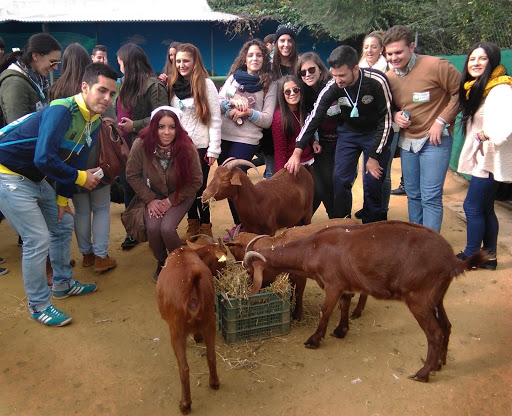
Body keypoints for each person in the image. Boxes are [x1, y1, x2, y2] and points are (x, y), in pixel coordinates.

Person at [0, 63, 119, 326]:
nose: (107, 98)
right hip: (7, 172)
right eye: (102, 90)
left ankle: (63, 284)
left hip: (34, 176)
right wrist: (80, 178)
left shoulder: (94, 119)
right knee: (36, 238)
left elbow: (72, 160)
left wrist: (64, 199)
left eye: (112, 93)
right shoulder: (62, 109)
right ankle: (39, 305)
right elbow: (45, 158)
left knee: (63, 223)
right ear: (85, 87)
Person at [286, 45, 393, 224]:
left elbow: (387, 120)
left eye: (342, 75)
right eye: (334, 75)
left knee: (372, 181)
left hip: (374, 134)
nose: (337, 80)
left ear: (355, 69)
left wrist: (374, 156)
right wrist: (297, 151)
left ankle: (371, 225)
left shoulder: (377, 81)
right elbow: (314, 118)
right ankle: (343, 223)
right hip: (349, 134)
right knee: (340, 179)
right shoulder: (333, 86)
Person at [383, 25, 461, 232]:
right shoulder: (389, 78)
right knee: (413, 194)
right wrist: (395, 116)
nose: (394, 58)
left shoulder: (437, 66)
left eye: (398, 52)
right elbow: (390, 107)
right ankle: (416, 240)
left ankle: (431, 247)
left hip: (435, 141)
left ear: (411, 47)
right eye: (389, 54)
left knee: (430, 196)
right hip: (408, 142)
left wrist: (442, 120)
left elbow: (461, 93)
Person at [50, 43, 117, 272]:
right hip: (96, 155)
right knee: (100, 207)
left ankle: (86, 255)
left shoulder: (57, 89)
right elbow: (110, 119)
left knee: (80, 209)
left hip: (69, 161)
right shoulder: (99, 88)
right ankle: (100, 256)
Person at [125, 106, 203, 282]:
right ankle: (162, 263)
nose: (166, 132)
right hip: (153, 193)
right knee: (153, 228)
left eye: (172, 127)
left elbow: (197, 181)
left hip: (181, 193)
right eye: (161, 127)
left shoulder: (187, 147)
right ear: (154, 127)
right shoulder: (141, 145)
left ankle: (182, 263)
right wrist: (150, 199)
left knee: (167, 229)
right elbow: (131, 174)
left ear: (178, 128)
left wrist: (171, 200)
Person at [456, 42, 512, 270]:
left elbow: (505, 123)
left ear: (493, 61)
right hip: (484, 158)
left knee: (471, 206)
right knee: (486, 208)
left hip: (489, 159)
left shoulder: (500, 89)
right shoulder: (479, 87)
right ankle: (489, 258)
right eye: (472, 59)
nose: (476, 63)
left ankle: (471, 255)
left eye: (482, 59)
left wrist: (488, 135)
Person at [217, 39, 277, 237]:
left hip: (247, 139)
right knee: (228, 182)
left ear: (264, 58)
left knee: (238, 180)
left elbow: (267, 119)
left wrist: (248, 113)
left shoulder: (270, 84)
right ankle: (240, 225)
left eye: (259, 55)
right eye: (250, 55)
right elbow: (218, 102)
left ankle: (245, 224)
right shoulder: (234, 79)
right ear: (245, 57)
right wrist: (232, 102)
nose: (254, 58)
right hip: (224, 136)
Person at [116, 43, 169, 250]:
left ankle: (157, 232)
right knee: (130, 187)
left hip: (148, 149)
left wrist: (134, 126)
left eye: (121, 63)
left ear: (129, 63)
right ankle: (134, 230)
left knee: (152, 190)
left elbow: (163, 117)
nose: (119, 67)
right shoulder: (125, 85)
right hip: (124, 148)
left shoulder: (154, 86)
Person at [167, 43, 221, 241]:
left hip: (200, 146)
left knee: (200, 187)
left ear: (195, 62)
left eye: (186, 61)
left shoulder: (206, 85)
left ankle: (205, 225)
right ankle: (192, 223)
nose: (181, 64)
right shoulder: (173, 85)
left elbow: (215, 118)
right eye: (178, 61)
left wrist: (214, 148)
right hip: (180, 147)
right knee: (184, 185)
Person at [296, 52, 340, 218]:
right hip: (321, 145)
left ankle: (341, 219)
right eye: (303, 72)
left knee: (338, 182)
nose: (307, 74)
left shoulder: (334, 86)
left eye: (311, 69)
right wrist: (313, 140)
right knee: (323, 185)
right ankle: (333, 218)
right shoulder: (305, 94)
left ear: (320, 69)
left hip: (341, 144)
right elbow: (310, 121)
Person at [0, 33, 61, 125]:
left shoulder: (38, 80)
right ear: (35, 56)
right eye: (52, 62)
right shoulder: (14, 84)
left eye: (57, 62)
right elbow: (18, 130)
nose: (56, 67)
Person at [272, 74, 313, 172]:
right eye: (287, 91)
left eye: (295, 89)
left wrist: (314, 141)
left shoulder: (303, 110)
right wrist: (281, 178)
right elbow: (280, 151)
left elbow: (308, 132)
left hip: (311, 161)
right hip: (292, 167)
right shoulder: (279, 117)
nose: (292, 93)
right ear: (282, 94)